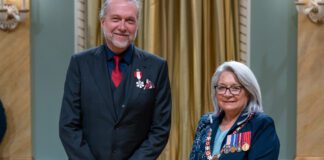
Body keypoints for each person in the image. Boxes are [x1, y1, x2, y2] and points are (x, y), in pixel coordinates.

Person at [59, 0, 172, 159]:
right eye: (116, 19)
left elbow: (160, 129)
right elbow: (68, 126)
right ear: (103, 22)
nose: (123, 26)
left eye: (129, 20)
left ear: (137, 25)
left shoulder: (157, 67)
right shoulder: (80, 64)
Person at [190, 61, 280, 160]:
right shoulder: (205, 122)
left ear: (249, 91)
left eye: (235, 88)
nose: (227, 94)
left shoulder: (260, 124)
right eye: (222, 87)